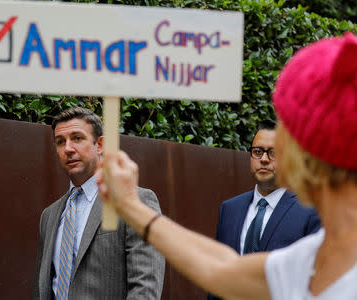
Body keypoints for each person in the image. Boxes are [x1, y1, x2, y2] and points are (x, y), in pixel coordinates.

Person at [97, 32, 357, 300]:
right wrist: (130, 205)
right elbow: (223, 269)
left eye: (285, 128)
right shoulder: (314, 256)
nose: (271, 151)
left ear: (307, 150)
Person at [33, 107, 165, 300]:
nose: (68, 149)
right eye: (60, 142)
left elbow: (145, 287)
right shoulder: (49, 215)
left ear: (100, 144)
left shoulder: (134, 201)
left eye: (77, 138)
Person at [208, 120, 321, 300]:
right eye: (257, 152)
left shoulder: (309, 211)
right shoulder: (229, 209)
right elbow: (218, 274)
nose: (264, 159)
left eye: (273, 153)